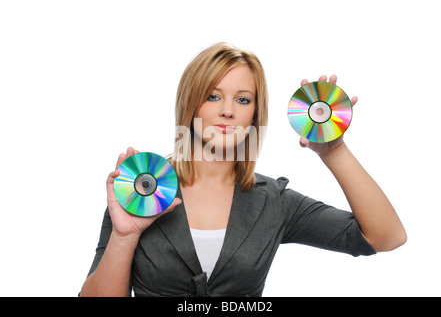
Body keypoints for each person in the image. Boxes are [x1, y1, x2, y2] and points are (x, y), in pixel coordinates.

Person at [80, 42, 406, 297]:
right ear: (190, 104)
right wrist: (125, 236)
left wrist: (334, 150)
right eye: (212, 96)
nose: (227, 111)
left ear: (254, 114)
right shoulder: (140, 189)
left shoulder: (274, 202)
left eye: (243, 100)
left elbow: (387, 236)